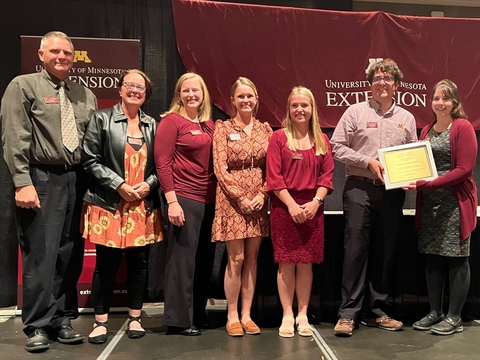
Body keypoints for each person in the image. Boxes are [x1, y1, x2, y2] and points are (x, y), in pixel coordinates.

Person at [0, 31, 97, 352]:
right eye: (55, 51)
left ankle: (61, 319)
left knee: (68, 254)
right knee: (40, 254)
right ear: (41, 55)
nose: (62, 57)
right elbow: (15, 137)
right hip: (40, 179)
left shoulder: (85, 94)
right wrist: (22, 181)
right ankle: (37, 325)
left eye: (67, 53)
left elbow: (92, 142)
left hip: (77, 179)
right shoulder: (23, 86)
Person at [330, 58, 417, 337]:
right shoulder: (354, 112)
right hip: (359, 188)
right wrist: (367, 161)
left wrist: (412, 176)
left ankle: (376, 311)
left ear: (397, 85)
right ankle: (347, 314)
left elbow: (412, 156)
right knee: (355, 250)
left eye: (387, 78)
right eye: (377, 78)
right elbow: (336, 148)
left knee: (384, 251)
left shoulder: (407, 119)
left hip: (392, 193)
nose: (382, 82)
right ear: (369, 84)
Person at [81, 69, 164, 344]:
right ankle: (100, 321)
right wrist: (119, 184)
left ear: (146, 93)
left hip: (142, 205)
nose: (135, 91)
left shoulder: (152, 124)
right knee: (106, 264)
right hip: (109, 204)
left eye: (140, 87)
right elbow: (90, 160)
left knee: (139, 264)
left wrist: (149, 184)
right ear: (120, 89)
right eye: (130, 85)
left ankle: (135, 316)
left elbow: (161, 166)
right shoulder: (101, 119)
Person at [403, 79, 477, 335]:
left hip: (455, 204)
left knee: (457, 259)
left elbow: (464, 170)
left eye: (445, 98)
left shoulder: (463, 127)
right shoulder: (427, 130)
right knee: (433, 257)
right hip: (431, 205)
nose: (440, 103)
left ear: (455, 102)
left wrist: (428, 183)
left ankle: (454, 317)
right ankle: (435, 312)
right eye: (436, 98)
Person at [266, 86, 333, 338]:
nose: (300, 109)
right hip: (285, 208)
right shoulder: (279, 138)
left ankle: (302, 314)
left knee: (306, 265)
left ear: (312, 108)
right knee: (286, 264)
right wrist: (291, 205)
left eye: (304, 105)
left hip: (313, 208)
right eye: (295, 105)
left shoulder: (322, 140)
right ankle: (287, 314)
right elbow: (274, 178)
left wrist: (316, 202)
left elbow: (326, 177)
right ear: (289, 109)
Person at [154, 72, 216, 336]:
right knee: (182, 262)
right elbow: (162, 163)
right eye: (186, 90)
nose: (192, 95)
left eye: (196, 90)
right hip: (184, 199)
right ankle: (178, 320)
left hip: (210, 199)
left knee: (203, 261)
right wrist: (172, 201)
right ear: (179, 94)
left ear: (204, 95)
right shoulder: (172, 122)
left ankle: (197, 313)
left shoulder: (210, 124)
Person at [212, 77, 272, 337]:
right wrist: (239, 196)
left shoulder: (266, 130)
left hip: (258, 199)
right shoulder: (223, 128)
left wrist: (263, 193)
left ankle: (247, 315)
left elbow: (275, 168)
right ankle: (232, 314)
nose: (246, 100)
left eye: (250, 96)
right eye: (241, 96)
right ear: (233, 100)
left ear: (256, 100)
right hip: (231, 200)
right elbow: (219, 167)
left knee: (252, 258)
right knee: (235, 259)